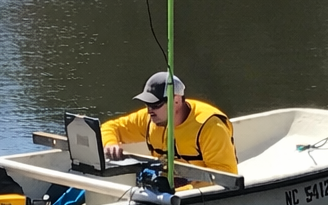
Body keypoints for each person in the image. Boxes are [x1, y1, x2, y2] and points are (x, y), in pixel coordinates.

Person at [101, 71, 237, 176]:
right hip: (163, 187)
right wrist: (110, 143)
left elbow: (225, 175)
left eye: (155, 104)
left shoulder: (210, 127)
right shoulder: (150, 118)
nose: (149, 111)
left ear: (176, 101)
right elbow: (111, 127)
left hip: (193, 194)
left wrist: (183, 190)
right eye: (147, 104)